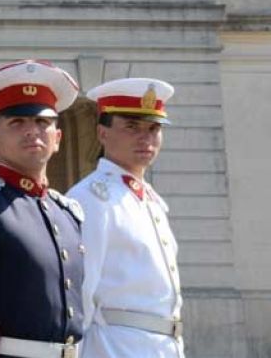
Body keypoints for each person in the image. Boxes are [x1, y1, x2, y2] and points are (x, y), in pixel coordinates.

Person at [0, 60, 86, 357]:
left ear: (58, 139)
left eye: (43, 123)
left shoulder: (68, 213)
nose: (32, 131)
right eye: (17, 123)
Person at [66, 78, 183, 358]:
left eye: (153, 128)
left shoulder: (151, 201)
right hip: (114, 346)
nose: (145, 138)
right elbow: (81, 295)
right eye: (132, 127)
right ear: (102, 133)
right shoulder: (92, 198)